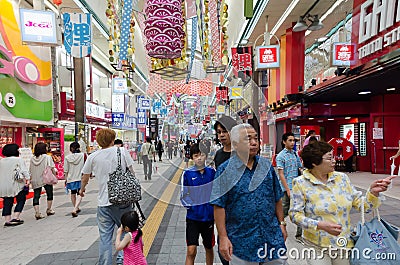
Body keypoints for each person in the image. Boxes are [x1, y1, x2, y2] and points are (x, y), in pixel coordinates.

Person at [290, 141, 394, 265]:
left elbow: (363, 206)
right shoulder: (301, 183)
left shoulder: (341, 178)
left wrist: (373, 192)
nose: (334, 160)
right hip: (316, 245)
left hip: (343, 243)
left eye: (333, 157)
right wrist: (319, 225)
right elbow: (295, 215)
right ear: (314, 162)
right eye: (329, 158)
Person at [210, 124, 287, 264]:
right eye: (248, 139)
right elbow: (219, 206)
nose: (254, 143)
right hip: (241, 241)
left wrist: (281, 224)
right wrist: (223, 237)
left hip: (271, 237)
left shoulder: (266, 166)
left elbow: (277, 198)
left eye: (256, 138)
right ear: (235, 144)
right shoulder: (224, 171)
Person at [80, 128, 135, 265]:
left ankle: (105, 263)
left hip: (104, 203)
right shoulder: (121, 151)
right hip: (123, 200)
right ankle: (123, 260)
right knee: (125, 232)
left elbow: (85, 177)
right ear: (112, 139)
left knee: (105, 237)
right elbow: (132, 173)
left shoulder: (93, 156)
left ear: (99, 141)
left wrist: (82, 190)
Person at [180, 143, 215, 265]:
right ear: (192, 158)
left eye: (202, 155)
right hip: (193, 218)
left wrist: (212, 210)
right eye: (196, 156)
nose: (199, 158)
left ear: (206, 156)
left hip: (208, 218)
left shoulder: (212, 172)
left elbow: (216, 193)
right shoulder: (187, 174)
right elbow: (184, 195)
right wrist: (194, 207)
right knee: (191, 250)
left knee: (209, 247)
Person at [212, 116, 237, 265]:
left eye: (224, 131)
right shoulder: (219, 155)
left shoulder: (242, 153)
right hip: (224, 206)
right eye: (219, 132)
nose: (221, 135)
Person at [276, 132, 303, 242]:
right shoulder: (281, 156)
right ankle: (277, 229)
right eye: (290, 140)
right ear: (284, 142)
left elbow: (300, 168)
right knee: (283, 211)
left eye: (293, 141)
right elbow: (281, 174)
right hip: (285, 188)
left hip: (296, 188)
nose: (292, 143)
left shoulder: (295, 154)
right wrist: (287, 189)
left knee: (300, 210)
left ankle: (299, 235)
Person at [0, 144, 30, 226]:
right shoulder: (18, 160)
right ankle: (15, 217)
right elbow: (24, 171)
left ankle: (7, 220)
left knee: (7, 201)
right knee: (21, 199)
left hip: (4, 185)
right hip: (16, 184)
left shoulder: (1, 161)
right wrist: (28, 179)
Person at [30, 142, 57, 220]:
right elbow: (52, 167)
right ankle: (49, 209)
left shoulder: (32, 158)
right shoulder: (47, 157)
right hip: (46, 178)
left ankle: (37, 212)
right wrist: (54, 175)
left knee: (36, 196)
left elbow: (30, 169)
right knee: (49, 193)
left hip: (35, 179)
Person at [64, 142, 85, 217]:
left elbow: (65, 170)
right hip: (80, 178)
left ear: (71, 149)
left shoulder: (67, 157)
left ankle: (75, 207)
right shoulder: (83, 155)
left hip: (71, 178)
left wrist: (66, 179)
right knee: (80, 193)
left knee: (73, 193)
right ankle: (75, 208)